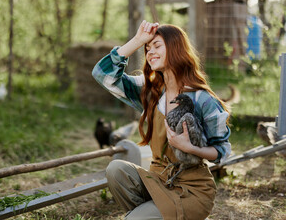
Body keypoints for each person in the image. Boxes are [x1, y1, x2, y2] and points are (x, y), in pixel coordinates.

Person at [92, 20, 231, 220]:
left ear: (176, 49)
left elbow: (222, 152)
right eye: (147, 48)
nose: (149, 52)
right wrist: (137, 40)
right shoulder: (150, 92)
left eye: (157, 46)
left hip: (191, 189)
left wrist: (191, 148)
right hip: (157, 179)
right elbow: (101, 74)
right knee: (116, 169)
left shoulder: (203, 99)